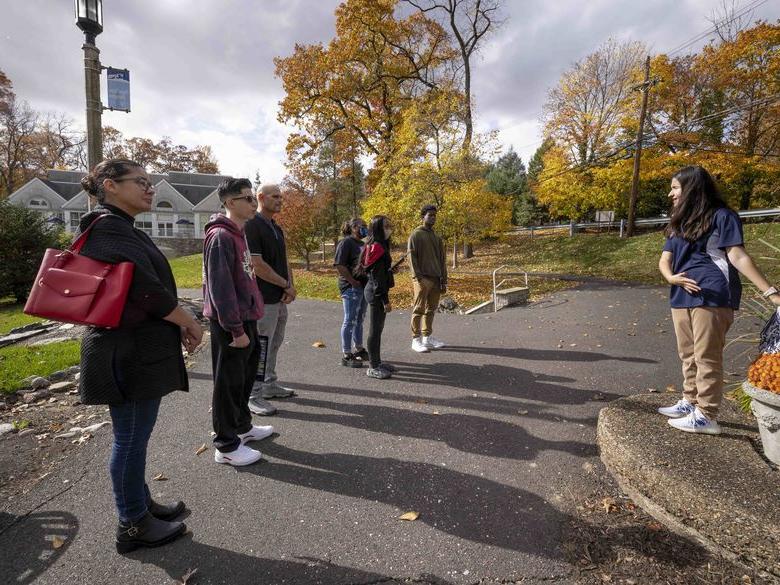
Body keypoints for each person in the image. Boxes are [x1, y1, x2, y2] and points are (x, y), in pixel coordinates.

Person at [77, 159, 203, 553]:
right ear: (110, 186)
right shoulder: (106, 228)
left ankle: (140, 504)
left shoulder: (120, 227)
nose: (150, 189)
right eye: (141, 182)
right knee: (130, 440)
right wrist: (188, 321)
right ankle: (131, 525)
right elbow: (143, 289)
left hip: (135, 350)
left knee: (134, 438)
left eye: (151, 183)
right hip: (125, 353)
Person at [657, 165, 780, 434]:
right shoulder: (678, 223)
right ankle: (690, 402)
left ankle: (707, 414)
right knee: (687, 354)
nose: (671, 193)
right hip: (681, 295)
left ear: (691, 188)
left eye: (675, 188)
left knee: (706, 356)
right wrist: (671, 278)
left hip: (712, 294)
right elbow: (665, 260)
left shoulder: (723, 217)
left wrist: (771, 293)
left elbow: (737, 256)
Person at [203, 178, 274, 467]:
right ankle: (226, 445)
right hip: (231, 324)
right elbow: (220, 288)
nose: (252, 203)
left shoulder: (239, 233)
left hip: (247, 319)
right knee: (228, 384)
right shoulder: (220, 236)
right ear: (230, 203)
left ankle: (243, 427)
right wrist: (235, 329)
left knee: (245, 378)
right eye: (246, 198)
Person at [244, 184, 297, 416]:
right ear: (261, 197)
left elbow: (284, 261)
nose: (279, 200)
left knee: (275, 342)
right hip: (262, 299)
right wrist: (284, 284)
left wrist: (291, 286)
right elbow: (257, 266)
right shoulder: (252, 224)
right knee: (261, 347)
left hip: (279, 298)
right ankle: (252, 395)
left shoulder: (276, 227)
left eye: (281, 196)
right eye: (275, 196)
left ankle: (268, 384)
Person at [361, 215, 397, 379]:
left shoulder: (380, 245)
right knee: (375, 331)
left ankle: (378, 361)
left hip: (378, 290)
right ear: (377, 228)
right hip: (376, 293)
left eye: (390, 225)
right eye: (386, 226)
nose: (389, 228)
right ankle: (373, 367)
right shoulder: (376, 247)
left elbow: (380, 271)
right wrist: (385, 300)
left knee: (378, 329)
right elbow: (376, 279)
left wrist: (390, 270)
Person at [408, 204, 447, 353]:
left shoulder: (436, 237)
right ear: (422, 216)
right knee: (418, 308)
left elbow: (442, 261)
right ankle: (415, 339)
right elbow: (411, 259)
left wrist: (444, 280)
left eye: (434, 215)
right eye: (430, 215)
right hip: (422, 279)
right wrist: (418, 278)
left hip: (436, 279)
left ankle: (427, 337)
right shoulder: (416, 235)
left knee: (431, 309)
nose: (432, 218)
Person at [334, 217, 369, 367]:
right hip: (351, 288)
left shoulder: (363, 244)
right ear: (354, 227)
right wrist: (352, 281)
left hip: (363, 286)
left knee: (359, 319)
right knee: (350, 319)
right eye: (363, 226)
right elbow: (339, 265)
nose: (365, 229)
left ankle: (359, 349)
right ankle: (347, 354)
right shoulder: (346, 242)